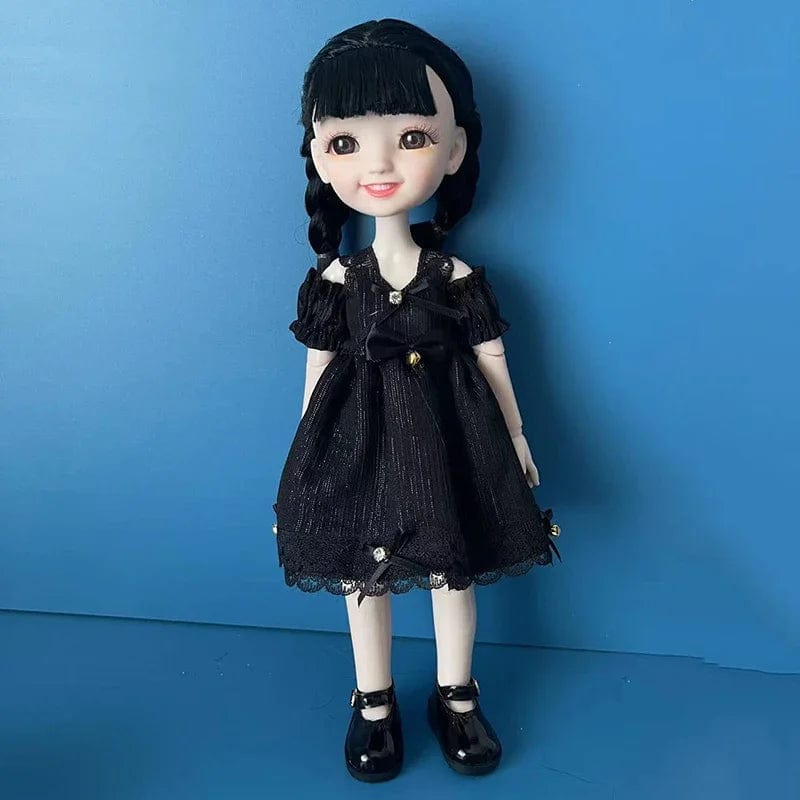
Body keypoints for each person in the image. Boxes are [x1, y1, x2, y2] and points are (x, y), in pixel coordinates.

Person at [272, 18, 562, 782]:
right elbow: (316, 370)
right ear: (318, 153)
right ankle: (372, 701)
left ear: (454, 148)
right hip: (357, 442)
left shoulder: (454, 279)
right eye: (345, 142)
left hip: (448, 439)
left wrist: (517, 436)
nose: (378, 165)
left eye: (410, 138)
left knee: (449, 569)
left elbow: (491, 356)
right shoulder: (336, 282)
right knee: (360, 573)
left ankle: (456, 694)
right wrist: (306, 458)